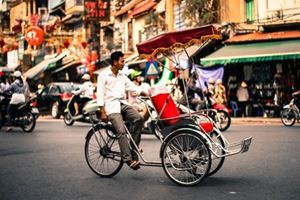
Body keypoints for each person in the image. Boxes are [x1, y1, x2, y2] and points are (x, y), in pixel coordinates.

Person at [97, 51, 147, 170]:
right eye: (122, 61)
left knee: (139, 119)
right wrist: (102, 111)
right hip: (110, 106)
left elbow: (133, 88)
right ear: (115, 62)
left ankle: (133, 152)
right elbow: (99, 94)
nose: (124, 63)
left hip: (122, 104)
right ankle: (127, 159)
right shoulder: (103, 76)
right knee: (121, 130)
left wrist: (147, 92)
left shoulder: (122, 76)